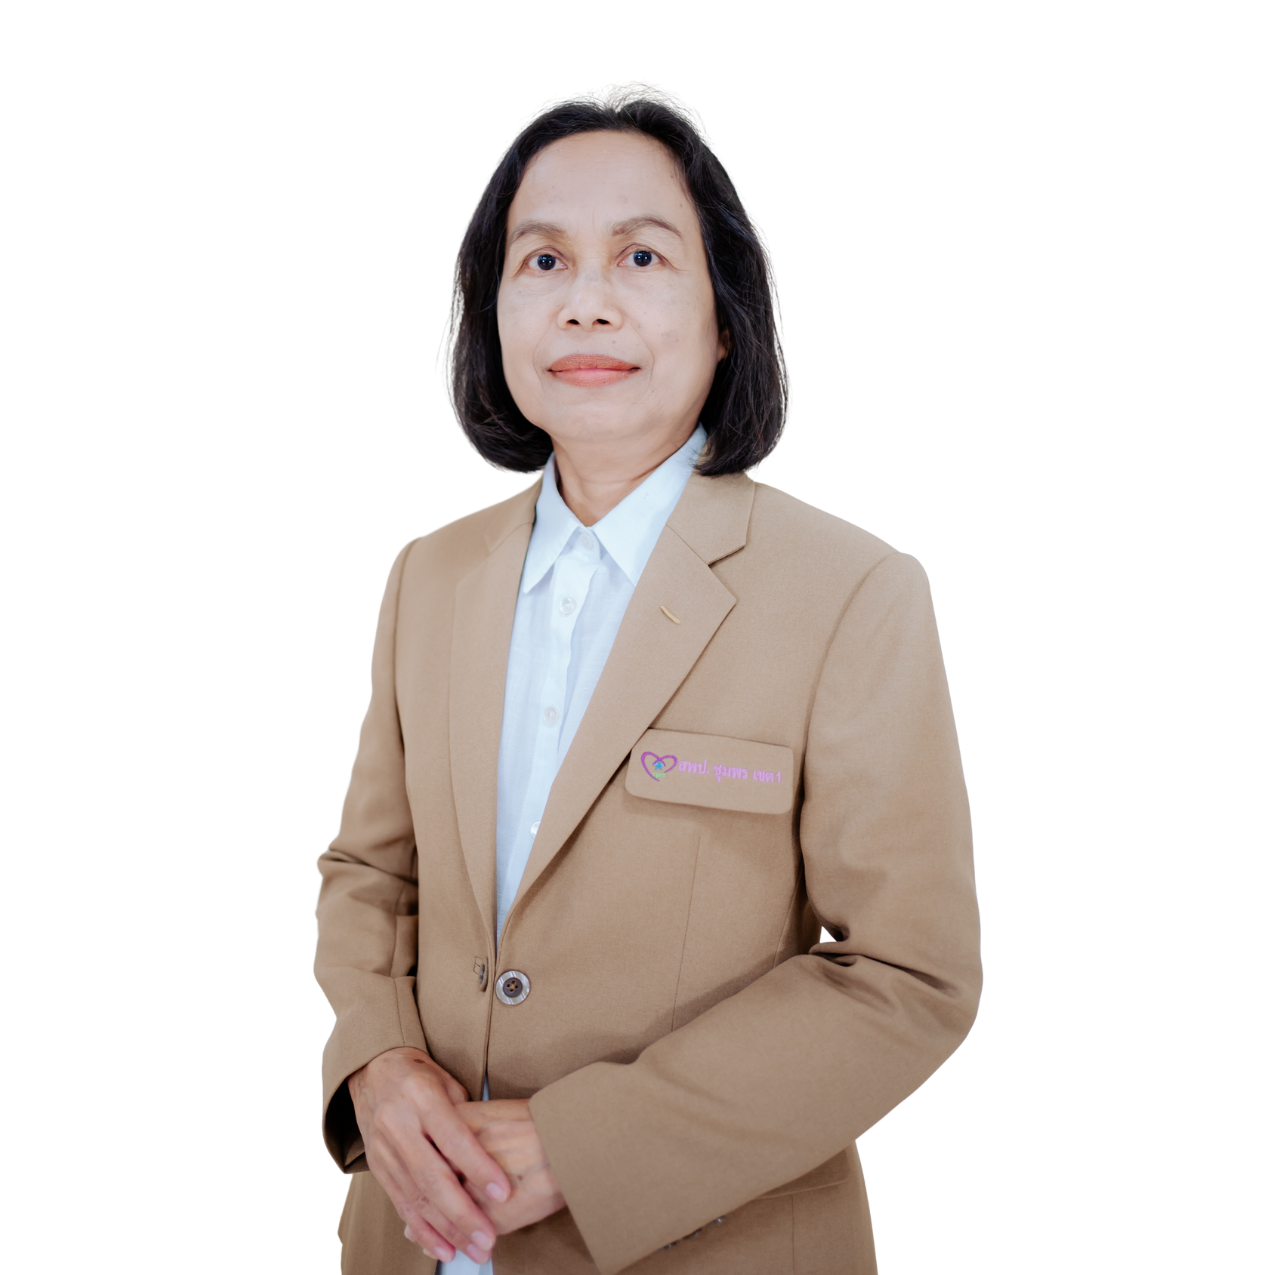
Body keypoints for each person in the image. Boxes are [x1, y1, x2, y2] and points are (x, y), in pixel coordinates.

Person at [314, 80, 982, 1275]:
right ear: (493, 312)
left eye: (640, 255)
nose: (586, 301)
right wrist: (375, 1059)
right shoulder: (430, 575)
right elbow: (369, 874)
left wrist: (583, 1145)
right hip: (417, 1241)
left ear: (726, 317)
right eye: (543, 260)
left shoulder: (854, 591)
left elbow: (905, 976)